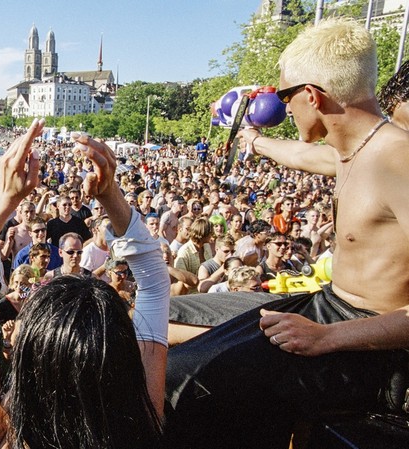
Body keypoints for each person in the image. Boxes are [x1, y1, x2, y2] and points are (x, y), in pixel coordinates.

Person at [166, 19, 409, 448]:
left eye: (284, 96)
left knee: (182, 377)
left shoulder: (398, 162)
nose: (284, 108)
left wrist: (327, 337)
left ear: (312, 96)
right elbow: (299, 154)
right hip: (328, 307)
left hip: (361, 340)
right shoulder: (356, 152)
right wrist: (255, 141)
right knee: (160, 319)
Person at [0, 121, 166, 448]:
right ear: (123, 358)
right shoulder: (144, 421)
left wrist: (3, 200)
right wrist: (111, 195)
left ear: (29, 366)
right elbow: (153, 280)